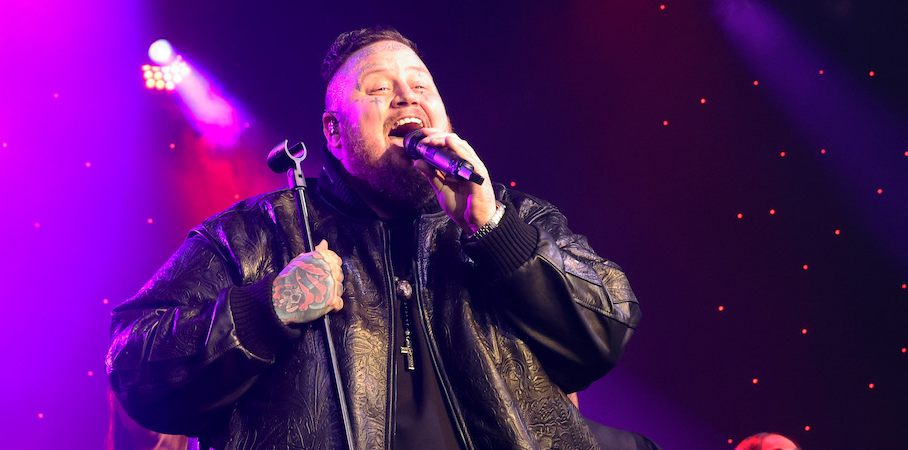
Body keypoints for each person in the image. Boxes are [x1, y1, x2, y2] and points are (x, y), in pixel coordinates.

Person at [106, 26, 641, 450]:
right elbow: (132, 366)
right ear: (333, 131)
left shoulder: (510, 216)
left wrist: (497, 235)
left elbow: (606, 330)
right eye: (380, 88)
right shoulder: (256, 233)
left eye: (421, 86)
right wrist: (267, 309)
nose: (407, 97)